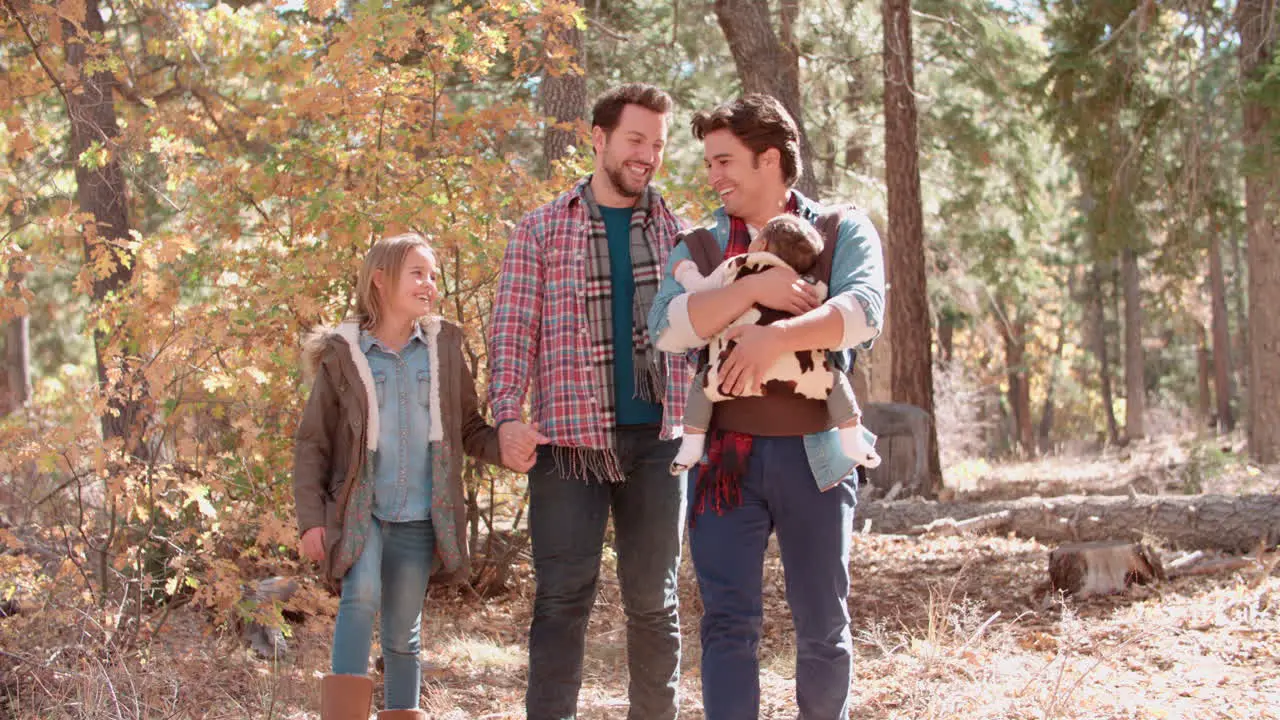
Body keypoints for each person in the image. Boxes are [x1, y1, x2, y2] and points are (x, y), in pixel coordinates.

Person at [647, 94, 886, 720]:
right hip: (725, 462)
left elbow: (864, 312)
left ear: (771, 159)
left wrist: (775, 337)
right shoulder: (699, 245)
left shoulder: (839, 229)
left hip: (818, 455)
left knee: (823, 623)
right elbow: (668, 328)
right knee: (727, 625)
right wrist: (753, 287)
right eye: (709, 163)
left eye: (725, 161)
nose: (713, 176)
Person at [487, 82, 692, 720]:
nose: (647, 155)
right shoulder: (542, 229)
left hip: (661, 442)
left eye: (657, 144)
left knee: (654, 603)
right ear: (599, 140)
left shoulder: (678, 233)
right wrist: (506, 418)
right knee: (562, 600)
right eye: (635, 140)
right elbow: (513, 329)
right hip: (568, 446)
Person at [292, 234, 521, 720]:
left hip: (422, 514)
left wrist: (509, 447)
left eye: (433, 275)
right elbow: (313, 442)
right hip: (362, 510)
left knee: (403, 632)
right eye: (417, 273)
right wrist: (312, 519)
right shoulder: (344, 355)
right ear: (380, 280)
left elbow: (469, 428)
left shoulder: (442, 348)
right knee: (362, 594)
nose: (429, 284)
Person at [669, 213, 880, 476]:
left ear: (763, 246)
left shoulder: (736, 268)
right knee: (835, 381)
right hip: (804, 373)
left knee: (703, 387)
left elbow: (700, 290)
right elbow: (826, 305)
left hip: (732, 370)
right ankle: (853, 440)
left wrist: (684, 271)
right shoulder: (807, 285)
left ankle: (690, 447)